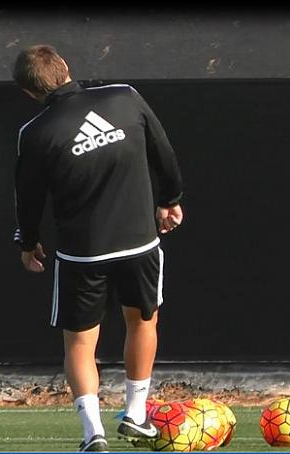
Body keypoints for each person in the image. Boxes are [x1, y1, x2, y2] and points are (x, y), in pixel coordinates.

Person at [12, 44, 184, 452]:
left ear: (29, 92)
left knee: (80, 344)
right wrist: (171, 198)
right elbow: (164, 152)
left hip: (82, 254)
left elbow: (28, 197)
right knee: (143, 322)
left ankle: (94, 434)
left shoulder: (36, 132)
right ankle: (137, 416)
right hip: (139, 244)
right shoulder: (124, 96)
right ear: (66, 68)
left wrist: (28, 241)